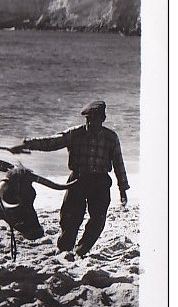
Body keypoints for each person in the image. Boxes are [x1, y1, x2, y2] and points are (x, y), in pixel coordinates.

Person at [9, 100, 129, 257]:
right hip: (77, 180)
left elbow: (118, 164)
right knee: (69, 217)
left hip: (100, 183)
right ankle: (64, 250)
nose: (91, 123)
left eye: (96, 119)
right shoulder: (75, 133)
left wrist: (123, 189)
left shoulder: (111, 138)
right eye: (89, 119)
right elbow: (51, 142)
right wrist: (25, 145)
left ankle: (81, 250)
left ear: (103, 119)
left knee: (98, 220)